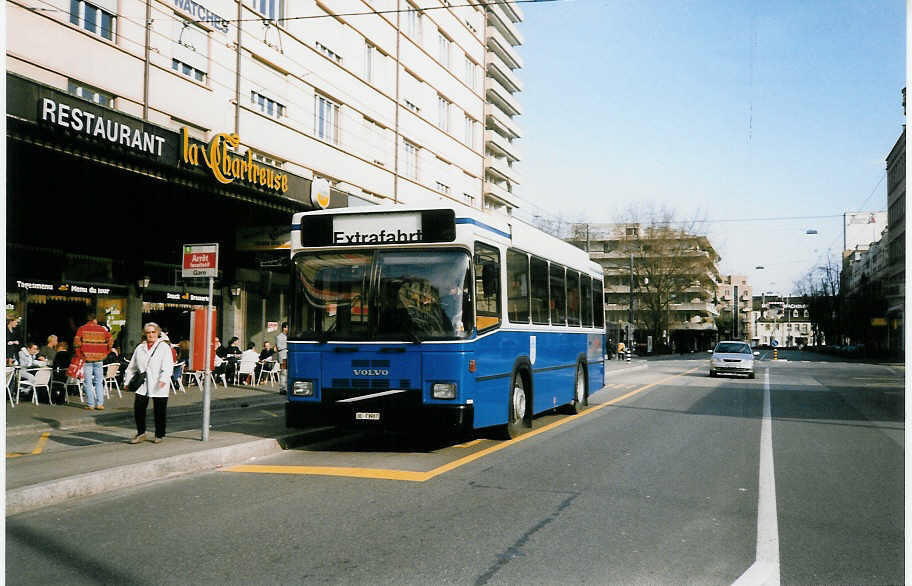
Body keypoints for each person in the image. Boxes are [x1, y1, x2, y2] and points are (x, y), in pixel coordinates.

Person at [124, 322, 174, 444]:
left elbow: (168, 366)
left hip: (158, 383)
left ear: (158, 333)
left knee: (159, 410)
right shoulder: (140, 348)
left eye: (153, 332)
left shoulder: (164, 347)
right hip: (143, 383)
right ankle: (141, 433)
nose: (150, 335)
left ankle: (159, 434)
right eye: (148, 332)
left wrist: (163, 379)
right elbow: (132, 367)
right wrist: (127, 381)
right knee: (139, 409)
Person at [74, 313, 113, 411]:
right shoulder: (102, 329)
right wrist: (105, 352)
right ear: (95, 319)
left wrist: (81, 355)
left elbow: (76, 343)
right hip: (99, 360)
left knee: (88, 382)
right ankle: (100, 404)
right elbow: (110, 340)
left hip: (87, 359)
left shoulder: (82, 329)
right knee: (99, 382)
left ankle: (90, 404)